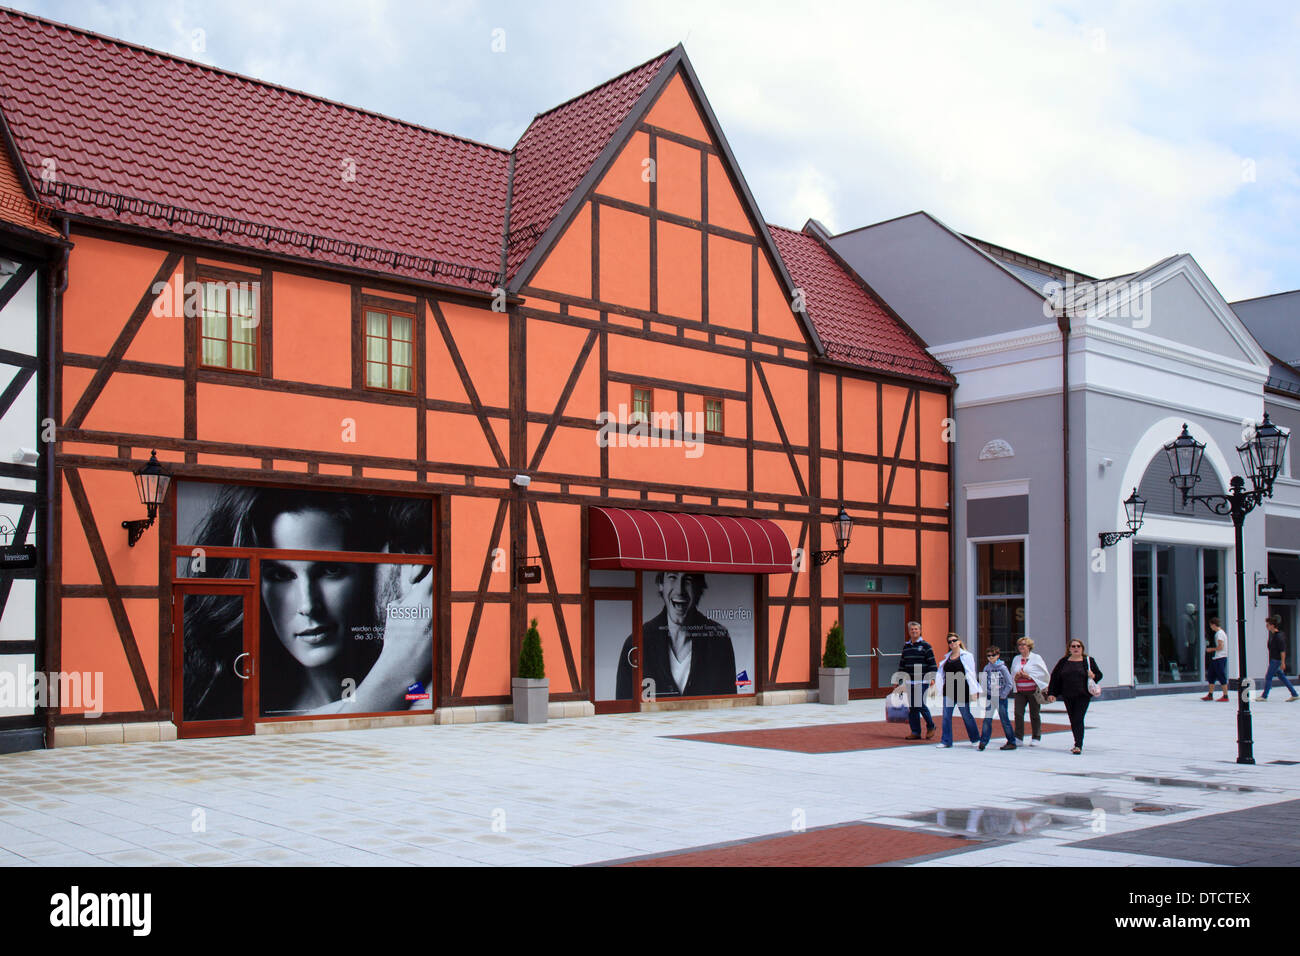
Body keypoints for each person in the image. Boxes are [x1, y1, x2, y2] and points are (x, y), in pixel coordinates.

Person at [182, 486, 434, 719]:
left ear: (367, 572)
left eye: (330, 571)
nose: (309, 605)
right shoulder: (242, 715)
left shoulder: (419, 687)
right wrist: (399, 670)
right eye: (281, 575)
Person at [615, 571, 736, 699]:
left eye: (688, 579)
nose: (680, 590)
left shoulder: (719, 640)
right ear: (661, 584)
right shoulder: (636, 642)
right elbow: (624, 705)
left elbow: (729, 702)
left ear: (698, 586)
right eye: (672, 577)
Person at [1046, 639, 1103, 754]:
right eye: (1073, 646)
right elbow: (1055, 678)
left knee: (1078, 718)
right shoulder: (1063, 661)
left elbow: (1099, 675)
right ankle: (1076, 741)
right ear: (1069, 649)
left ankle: (1078, 745)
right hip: (1068, 695)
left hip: (1083, 695)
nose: (1076, 648)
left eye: (1078, 646)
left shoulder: (1088, 661)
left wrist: (1093, 676)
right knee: (1073, 719)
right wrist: (1052, 693)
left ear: (1082, 648)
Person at [935, 633, 980, 748]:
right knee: (946, 715)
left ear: (959, 641)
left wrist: (974, 691)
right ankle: (946, 741)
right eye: (949, 642)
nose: (952, 643)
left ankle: (975, 738)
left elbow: (971, 673)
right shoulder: (947, 657)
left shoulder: (967, 656)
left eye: (954, 640)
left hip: (962, 689)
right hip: (948, 689)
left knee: (966, 714)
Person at [899, 620, 937, 740]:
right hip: (910, 681)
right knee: (913, 707)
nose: (914, 631)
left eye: (916, 629)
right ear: (909, 631)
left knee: (920, 704)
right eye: (912, 629)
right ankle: (915, 732)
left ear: (920, 631)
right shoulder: (906, 646)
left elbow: (932, 663)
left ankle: (931, 726)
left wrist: (932, 678)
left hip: (923, 680)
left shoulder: (926, 646)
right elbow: (902, 663)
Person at [1009, 637, 1049, 745]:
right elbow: (1012, 672)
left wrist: (1029, 676)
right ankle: (1018, 737)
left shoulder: (1036, 658)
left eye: (1024, 645)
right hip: (1020, 691)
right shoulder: (1016, 658)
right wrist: (1016, 677)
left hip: (1033, 691)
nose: (1021, 647)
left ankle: (1036, 736)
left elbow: (1042, 673)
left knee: (1034, 714)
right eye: (1020, 645)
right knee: (1018, 714)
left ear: (1029, 647)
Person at [979, 645, 1016, 751]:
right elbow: (984, 682)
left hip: (1000, 698)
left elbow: (1009, 683)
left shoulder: (1003, 668)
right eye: (988, 656)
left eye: (993, 655)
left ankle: (1011, 741)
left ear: (998, 656)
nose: (990, 658)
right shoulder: (987, 668)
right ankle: (983, 741)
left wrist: (1003, 695)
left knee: (1004, 720)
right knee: (987, 719)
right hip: (991, 697)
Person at [1258, 615, 1299, 702]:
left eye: (1268, 625)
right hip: (1274, 659)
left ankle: (1264, 696)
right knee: (1282, 677)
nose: (1266, 626)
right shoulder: (1273, 635)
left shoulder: (1278, 636)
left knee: (1268, 677)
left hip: (1276, 660)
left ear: (1272, 625)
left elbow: (1282, 650)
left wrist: (1283, 662)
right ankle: (1294, 694)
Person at [1202, 617, 1229, 702]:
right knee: (1211, 675)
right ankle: (1210, 694)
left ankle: (1225, 696)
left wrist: (1211, 649)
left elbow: (1220, 647)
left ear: (1214, 625)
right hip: (1216, 658)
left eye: (1211, 626)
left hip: (1220, 657)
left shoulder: (1219, 634)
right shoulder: (1219, 633)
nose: (1210, 627)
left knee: (1221, 675)